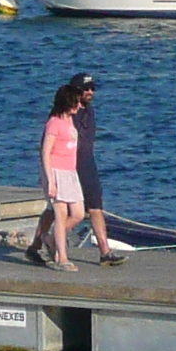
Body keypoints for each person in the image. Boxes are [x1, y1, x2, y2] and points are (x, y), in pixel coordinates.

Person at [29, 75, 90, 270]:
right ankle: (61, 257)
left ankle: (50, 239)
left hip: (70, 173)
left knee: (79, 214)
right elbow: (45, 152)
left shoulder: (70, 121)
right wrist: (51, 181)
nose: (80, 107)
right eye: (76, 103)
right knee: (60, 213)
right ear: (68, 104)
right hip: (55, 172)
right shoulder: (54, 123)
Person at [68, 72, 122, 265]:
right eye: (86, 89)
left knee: (96, 207)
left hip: (87, 163)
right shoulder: (67, 113)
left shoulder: (89, 110)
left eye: (92, 89)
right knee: (61, 211)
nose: (90, 92)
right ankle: (42, 242)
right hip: (68, 165)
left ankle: (105, 252)